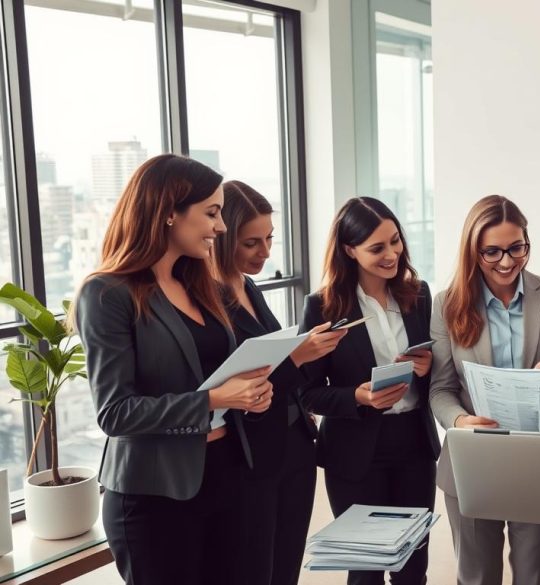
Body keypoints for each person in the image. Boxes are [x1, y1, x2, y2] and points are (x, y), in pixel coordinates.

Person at [73, 154, 273, 585]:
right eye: (212, 213)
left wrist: (249, 395)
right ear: (168, 213)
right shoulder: (107, 293)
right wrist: (215, 399)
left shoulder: (202, 284)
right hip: (155, 496)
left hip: (229, 474)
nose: (221, 227)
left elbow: (218, 374)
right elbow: (115, 413)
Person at [429, 194, 540, 585]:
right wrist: (460, 420)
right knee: (477, 576)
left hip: (537, 456)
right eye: (492, 252)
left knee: (534, 574)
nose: (507, 261)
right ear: (473, 252)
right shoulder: (447, 304)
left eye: (517, 247)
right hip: (473, 456)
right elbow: (441, 389)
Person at [300, 196, 440, 585]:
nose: (392, 253)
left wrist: (426, 370)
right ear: (350, 250)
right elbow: (306, 392)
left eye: (395, 241)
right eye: (377, 247)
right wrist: (357, 396)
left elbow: (439, 372)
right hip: (355, 450)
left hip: (414, 444)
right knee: (366, 569)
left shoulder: (419, 295)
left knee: (413, 565)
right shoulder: (323, 307)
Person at [214, 180, 346, 585]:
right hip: (254, 453)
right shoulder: (208, 297)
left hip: (294, 443)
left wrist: (303, 355)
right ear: (222, 236)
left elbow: (271, 364)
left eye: (270, 238)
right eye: (252, 242)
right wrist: (297, 357)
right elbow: (237, 382)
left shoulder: (248, 285)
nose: (266, 252)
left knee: (286, 563)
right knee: (257, 566)